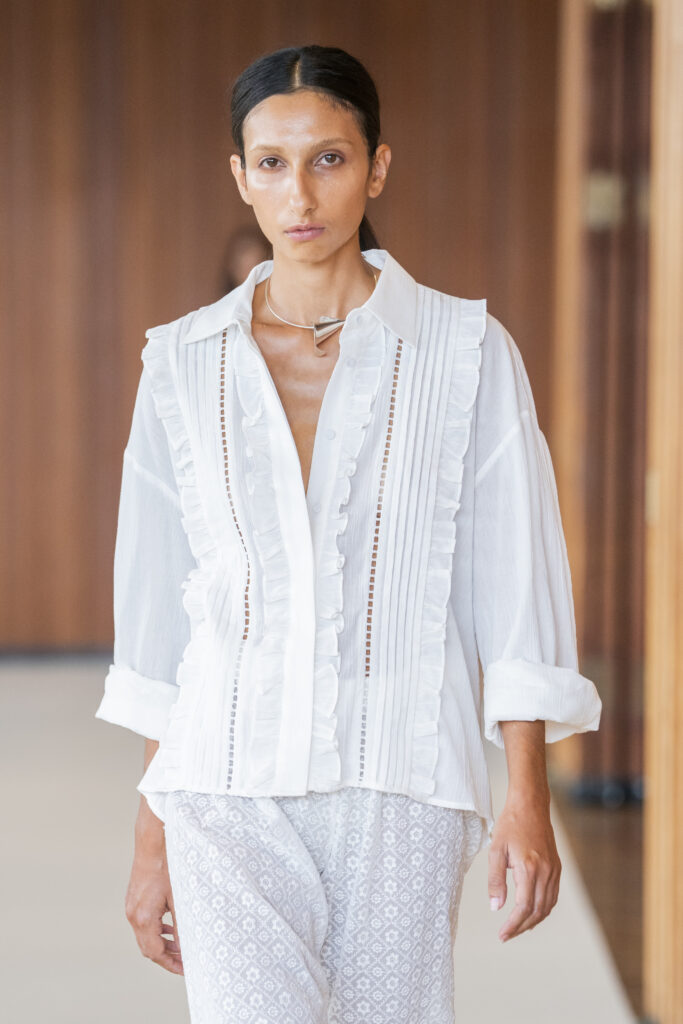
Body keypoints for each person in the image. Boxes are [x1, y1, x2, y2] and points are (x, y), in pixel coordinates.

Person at [95, 43, 602, 1024]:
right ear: (239, 177)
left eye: (328, 158)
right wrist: (151, 834)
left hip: (400, 782)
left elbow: (513, 583)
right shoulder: (180, 365)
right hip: (223, 783)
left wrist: (526, 796)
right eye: (272, 163)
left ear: (375, 167)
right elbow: (164, 616)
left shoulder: (466, 352)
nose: (300, 193)